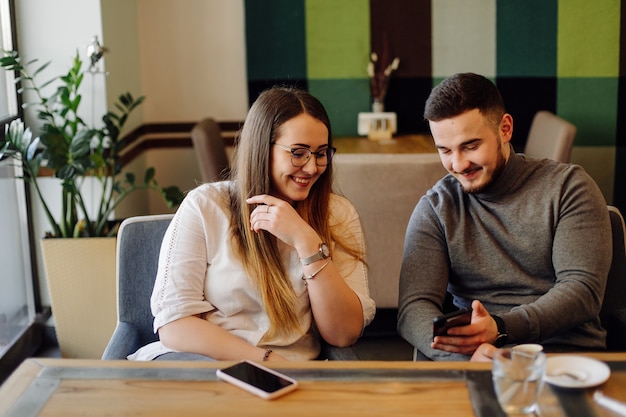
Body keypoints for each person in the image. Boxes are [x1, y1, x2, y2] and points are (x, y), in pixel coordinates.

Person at [128, 86, 375, 362]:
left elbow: (343, 334)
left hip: (294, 373)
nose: (311, 167)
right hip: (207, 362)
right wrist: (264, 361)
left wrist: (306, 241)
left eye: (321, 153)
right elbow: (174, 325)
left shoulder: (337, 214)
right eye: (298, 152)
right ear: (261, 148)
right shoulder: (206, 206)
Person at [397, 73, 611, 361]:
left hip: (564, 356)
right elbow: (413, 307)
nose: (458, 164)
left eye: (470, 146)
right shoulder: (437, 207)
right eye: (445, 150)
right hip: (477, 359)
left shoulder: (568, 187)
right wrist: (465, 358)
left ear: (505, 129)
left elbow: (582, 291)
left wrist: (500, 328)